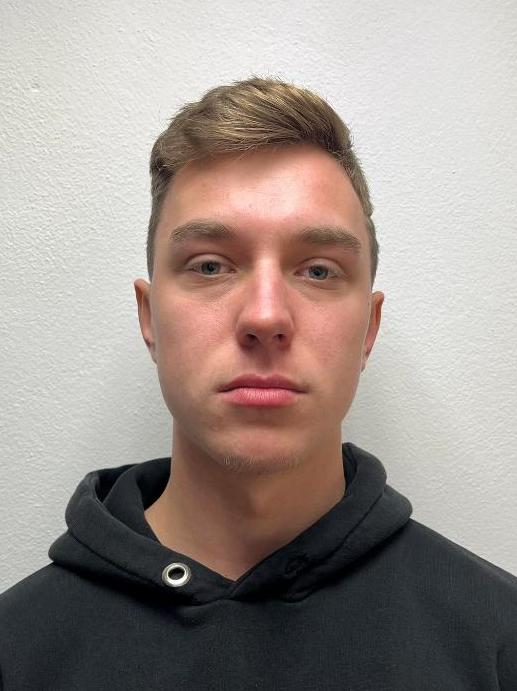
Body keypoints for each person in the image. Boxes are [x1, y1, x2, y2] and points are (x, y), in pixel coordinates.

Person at [1, 76, 516, 690]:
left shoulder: (499, 640)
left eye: (318, 270)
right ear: (149, 318)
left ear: (369, 328)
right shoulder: (16, 652)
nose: (266, 316)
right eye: (210, 265)